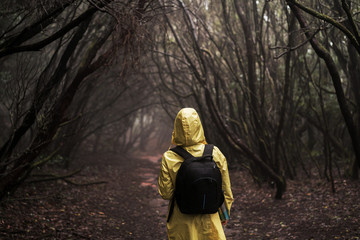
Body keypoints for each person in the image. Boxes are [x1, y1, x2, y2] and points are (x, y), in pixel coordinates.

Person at [158, 108, 234, 240]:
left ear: (177, 128)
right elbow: (225, 190)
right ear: (199, 126)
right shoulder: (215, 152)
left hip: (181, 223)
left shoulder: (169, 157)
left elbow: (166, 194)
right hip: (210, 223)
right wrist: (224, 216)